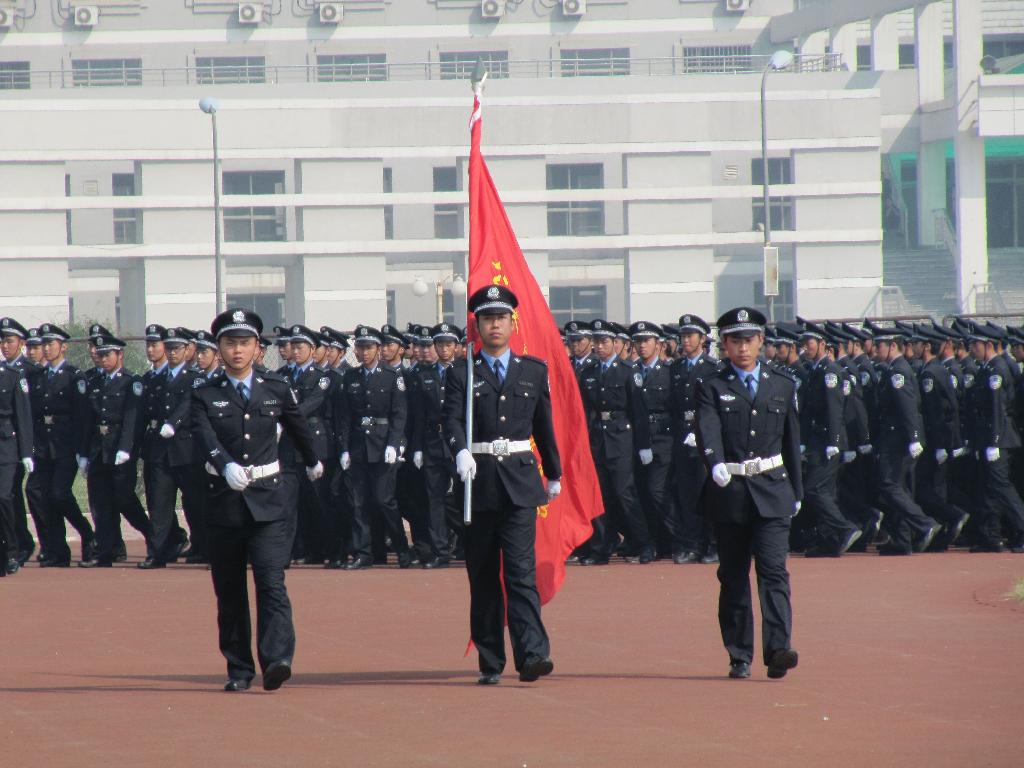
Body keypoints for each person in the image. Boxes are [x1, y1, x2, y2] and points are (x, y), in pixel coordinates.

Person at [191, 308, 323, 692]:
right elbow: (203, 436)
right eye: (229, 343)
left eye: (244, 343)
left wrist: (314, 460)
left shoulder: (276, 387)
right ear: (219, 348)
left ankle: (278, 658)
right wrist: (223, 463)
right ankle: (239, 669)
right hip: (223, 502)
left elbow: (297, 426)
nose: (236, 350)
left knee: (271, 583)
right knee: (230, 592)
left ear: (257, 349)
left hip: (267, 502)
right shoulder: (204, 392)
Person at [442, 284, 561, 685]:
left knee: (520, 572)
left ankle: (532, 654)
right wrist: (459, 450)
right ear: (477, 325)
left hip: (520, 482)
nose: (495, 325)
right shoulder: (462, 371)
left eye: (501, 318)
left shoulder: (533, 370)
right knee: (482, 576)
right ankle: (491, 659)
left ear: (513, 322)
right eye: (487, 319)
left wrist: (555, 472)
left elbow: (544, 425)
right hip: (478, 483)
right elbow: (452, 419)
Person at [695, 307, 801, 681]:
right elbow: (707, 427)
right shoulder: (712, 385)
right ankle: (739, 653)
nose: (743, 348)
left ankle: (778, 649)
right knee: (735, 575)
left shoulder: (782, 384)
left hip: (773, 490)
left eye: (749, 340)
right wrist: (715, 462)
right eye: (735, 341)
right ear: (724, 345)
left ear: (761, 342)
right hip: (732, 490)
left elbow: (791, 441)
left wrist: (797, 491)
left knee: (774, 572)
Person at [335, 325, 411, 569]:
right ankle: (363, 553)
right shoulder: (351, 377)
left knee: (383, 499)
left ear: (378, 349)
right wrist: (344, 448)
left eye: (369, 347)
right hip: (358, 446)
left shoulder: (392, 376)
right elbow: (345, 417)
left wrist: (394, 444)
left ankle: (402, 549)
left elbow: (399, 414)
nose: (364, 352)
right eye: (360, 348)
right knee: (357, 502)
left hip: (382, 445)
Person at [78, 332, 155, 568]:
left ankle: (155, 537)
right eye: (99, 355)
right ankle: (105, 551)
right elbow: (88, 420)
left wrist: (126, 448)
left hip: (120, 450)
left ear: (119, 355)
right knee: (100, 502)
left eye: (107, 354)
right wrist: (82, 452)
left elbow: (132, 419)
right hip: (99, 450)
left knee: (124, 499)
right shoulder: (96, 381)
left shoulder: (132, 382)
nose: (102, 359)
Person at [25, 323, 97, 567]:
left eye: (51, 343)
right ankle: (55, 548)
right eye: (43, 344)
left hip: (66, 445)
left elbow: (83, 416)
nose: (46, 348)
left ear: (63, 347)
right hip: (43, 445)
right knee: (36, 492)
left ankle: (87, 534)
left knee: (59, 494)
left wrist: (83, 450)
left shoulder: (74, 377)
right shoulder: (37, 377)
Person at [0, 345, 33, 576]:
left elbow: (23, 416)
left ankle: (13, 550)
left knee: (3, 496)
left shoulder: (12, 376)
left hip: (6, 447)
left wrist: (26, 452)